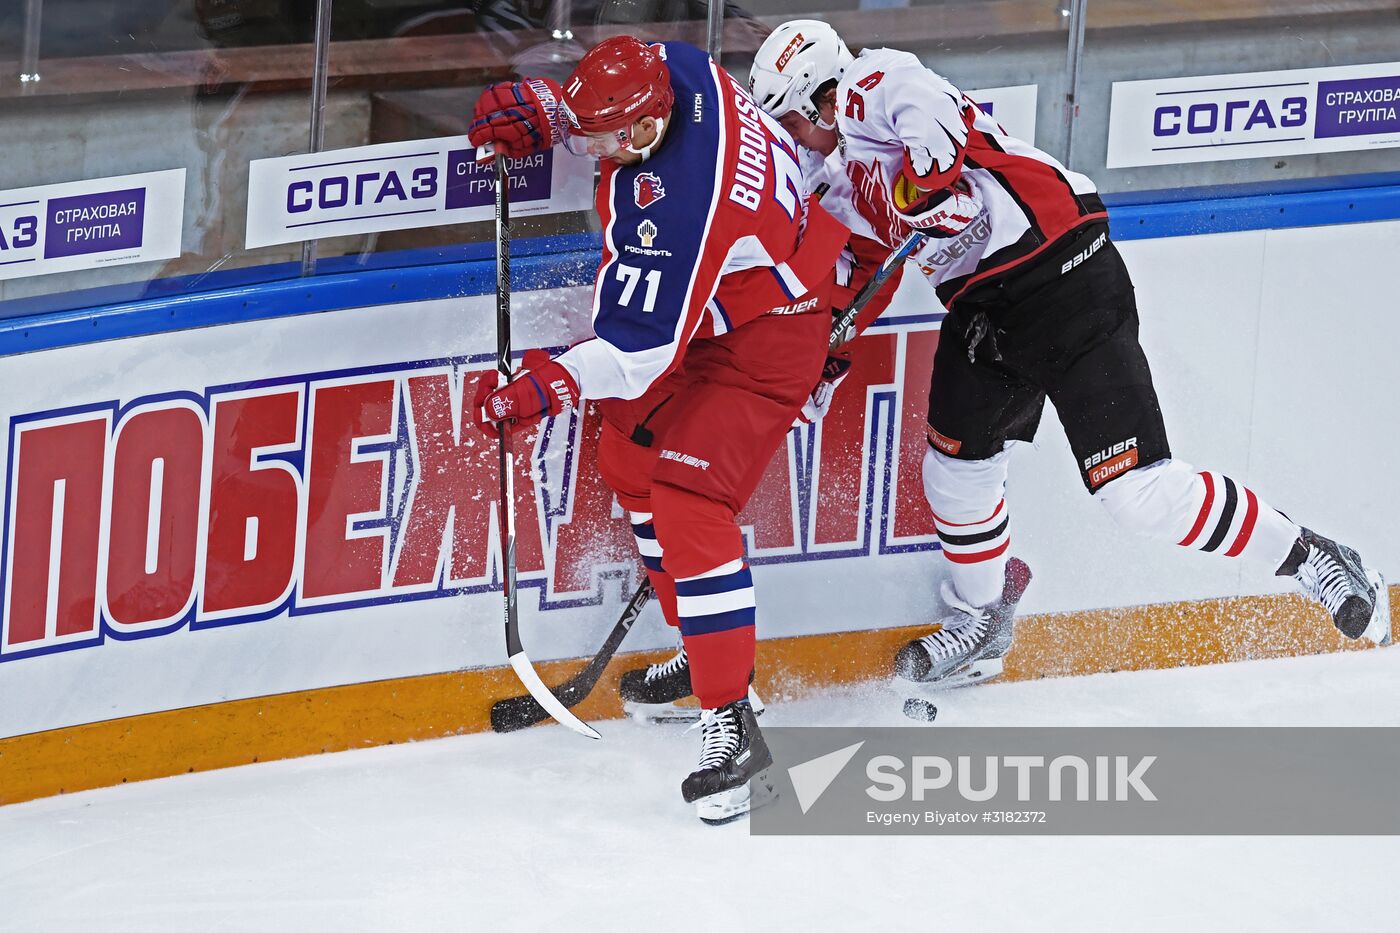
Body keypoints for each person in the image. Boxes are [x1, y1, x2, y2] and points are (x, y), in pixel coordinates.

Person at [747, 21, 1390, 688]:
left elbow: (927, 114)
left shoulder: (869, 85)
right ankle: (981, 619)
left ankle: (1312, 555)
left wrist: (923, 181)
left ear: (814, 96)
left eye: (790, 120)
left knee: (1137, 493)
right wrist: (817, 352)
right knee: (954, 473)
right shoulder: (840, 183)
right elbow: (854, 274)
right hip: (986, 313)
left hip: (1064, 271)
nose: (791, 140)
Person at [469, 35, 847, 822]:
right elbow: (619, 84)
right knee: (627, 457)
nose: (597, 151)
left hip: (776, 329)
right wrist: (556, 111)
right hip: (720, 306)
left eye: (606, 141)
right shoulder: (672, 67)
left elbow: (636, 355)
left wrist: (549, 383)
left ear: (645, 133)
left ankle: (732, 723)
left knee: (687, 498)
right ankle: (704, 657)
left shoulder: (681, 207)